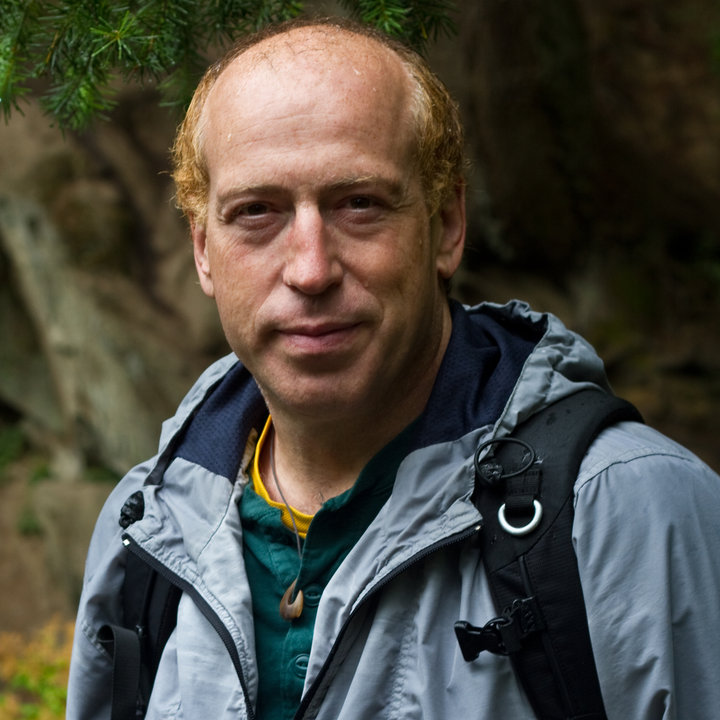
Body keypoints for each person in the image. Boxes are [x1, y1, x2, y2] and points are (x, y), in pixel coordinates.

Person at [67, 17, 720, 720]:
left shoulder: (631, 512)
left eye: (359, 205)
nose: (310, 269)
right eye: (257, 212)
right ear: (203, 251)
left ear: (445, 226)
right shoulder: (149, 525)